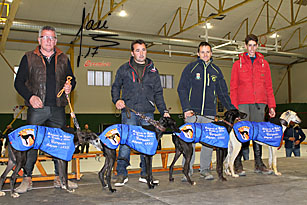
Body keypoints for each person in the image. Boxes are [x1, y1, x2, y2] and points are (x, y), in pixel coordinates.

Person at [14, 25, 77, 193]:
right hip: (37, 109)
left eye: (52, 38)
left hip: (57, 109)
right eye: (45, 37)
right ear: (39, 39)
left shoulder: (64, 58)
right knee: (31, 145)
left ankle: (60, 178)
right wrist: (30, 97)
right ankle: (26, 179)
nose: (49, 41)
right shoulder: (28, 58)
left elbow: (72, 79)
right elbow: (18, 82)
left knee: (60, 144)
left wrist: (70, 86)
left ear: (56, 40)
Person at [111, 39, 170, 187]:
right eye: (137, 50)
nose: (141, 53)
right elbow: (115, 86)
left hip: (148, 114)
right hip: (129, 113)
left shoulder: (153, 72)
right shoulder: (124, 69)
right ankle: (121, 174)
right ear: (132, 53)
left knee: (147, 144)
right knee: (125, 144)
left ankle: (146, 174)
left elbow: (158, 93)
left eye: (143, 50)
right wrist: (117, 99)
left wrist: (164, 111)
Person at [177, 41, 235, 181]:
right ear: (198, 53)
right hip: (192, 114)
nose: (205, 54)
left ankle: (205, 170)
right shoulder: (191, 68)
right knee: (189, 143)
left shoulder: (216, 71)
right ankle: (187, 171)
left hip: (209, 114)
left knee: (208, 143)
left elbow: (223, 94)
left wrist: (232, 110)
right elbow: (182, 89)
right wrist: (186, 108)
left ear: (211, 53)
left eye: (207, 52)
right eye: (202, 52)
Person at [230, 34, 276, 175]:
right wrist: (234, 108)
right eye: (249, 45)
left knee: (258, 134)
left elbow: (268, 86)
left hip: (259, 104)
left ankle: (259, 164)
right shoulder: (237, 64)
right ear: (245, 46)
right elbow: (233, 87)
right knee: (241, 134)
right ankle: (237, 163)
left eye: (254, 45)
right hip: (243, 104)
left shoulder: (264, 64)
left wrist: (271, 105)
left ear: (257, 46)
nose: (251, 48)